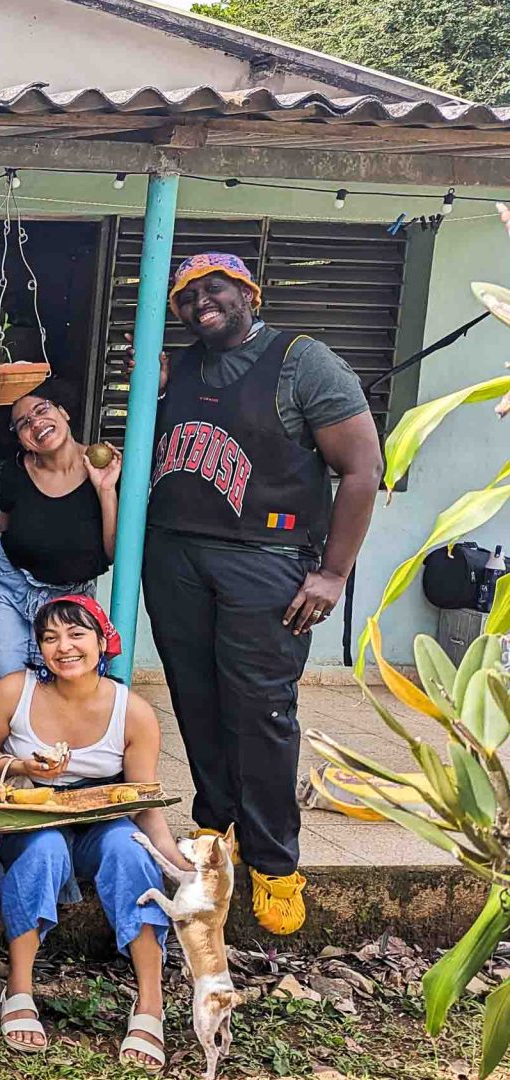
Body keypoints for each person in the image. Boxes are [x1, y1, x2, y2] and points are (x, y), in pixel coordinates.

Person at [143, 252, 381, 934]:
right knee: (197, 697)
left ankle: (276, 862)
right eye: (187, 298)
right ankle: (215, 830)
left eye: (214, 291)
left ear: (249, 291)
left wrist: (333, 572)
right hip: (177, 555)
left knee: (260, 710)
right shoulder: (179, 367)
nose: (200, 306)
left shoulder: (304, 361)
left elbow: (362, 469)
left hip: (267, 560)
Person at [0, 596, 190, 1073]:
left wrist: (169, 853)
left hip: (99, 818)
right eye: (50, 638)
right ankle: (20, 986)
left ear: (102, 641)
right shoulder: (14, 691)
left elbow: (140, 798)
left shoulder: (132, 712)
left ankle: (150, 1002)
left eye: (76, 635)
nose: (63, 647)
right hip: (30, 816)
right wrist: (20, 765)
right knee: (46, 849)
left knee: (130, 852)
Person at [0, 379, 118, 705]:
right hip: (1, 583)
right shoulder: (16, 471)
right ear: (21, 439)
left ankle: (43, 754)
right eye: (23, 424)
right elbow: (2, 523)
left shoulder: (108, 468)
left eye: (41, 410)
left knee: (58, 685)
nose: (36, 424)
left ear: (62, 412)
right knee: (5, 680)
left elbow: (114, 551)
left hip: (68, 594)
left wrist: (105, 490)